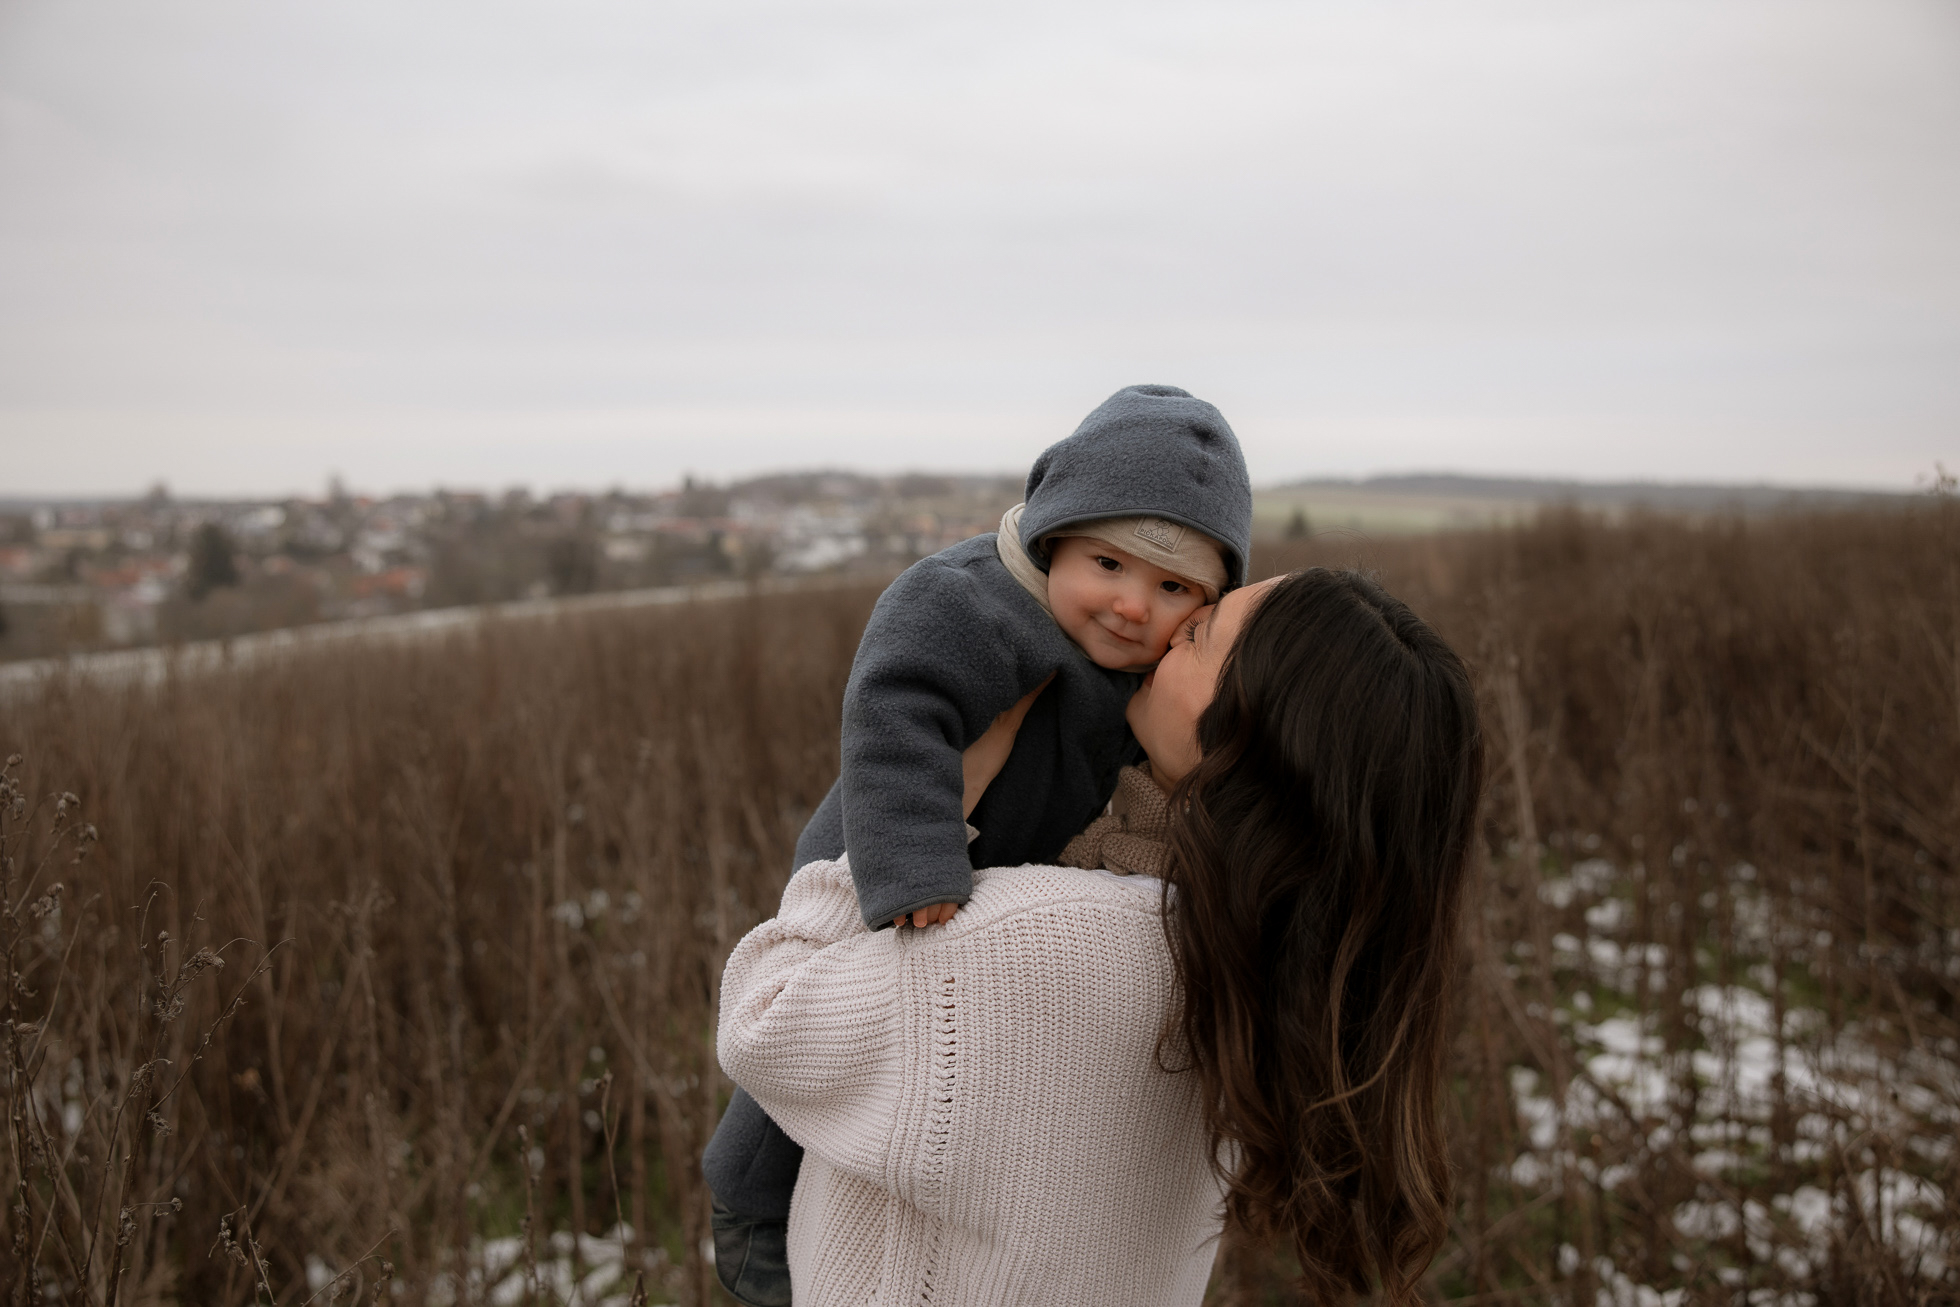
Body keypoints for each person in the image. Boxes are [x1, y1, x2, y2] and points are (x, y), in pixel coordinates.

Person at [717, 568, 1486, 1306]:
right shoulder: (1270, 962)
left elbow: (765, 1018)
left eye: (1202, 632)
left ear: (1253, 733)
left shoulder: (1046, 945)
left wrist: (907, 808)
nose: (1170, 629)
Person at [703, 383, 1255, 1305]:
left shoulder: (1156, 671)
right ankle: (750, 1204)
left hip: (1008, 860)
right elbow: (891, 709)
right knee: (822, 1035)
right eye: (1108, 563)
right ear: (1054, 535)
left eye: (1172, 589)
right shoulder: (968, 599)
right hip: (896, 832)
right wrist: (917, 858)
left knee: (897, 1055)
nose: (1129, 605)